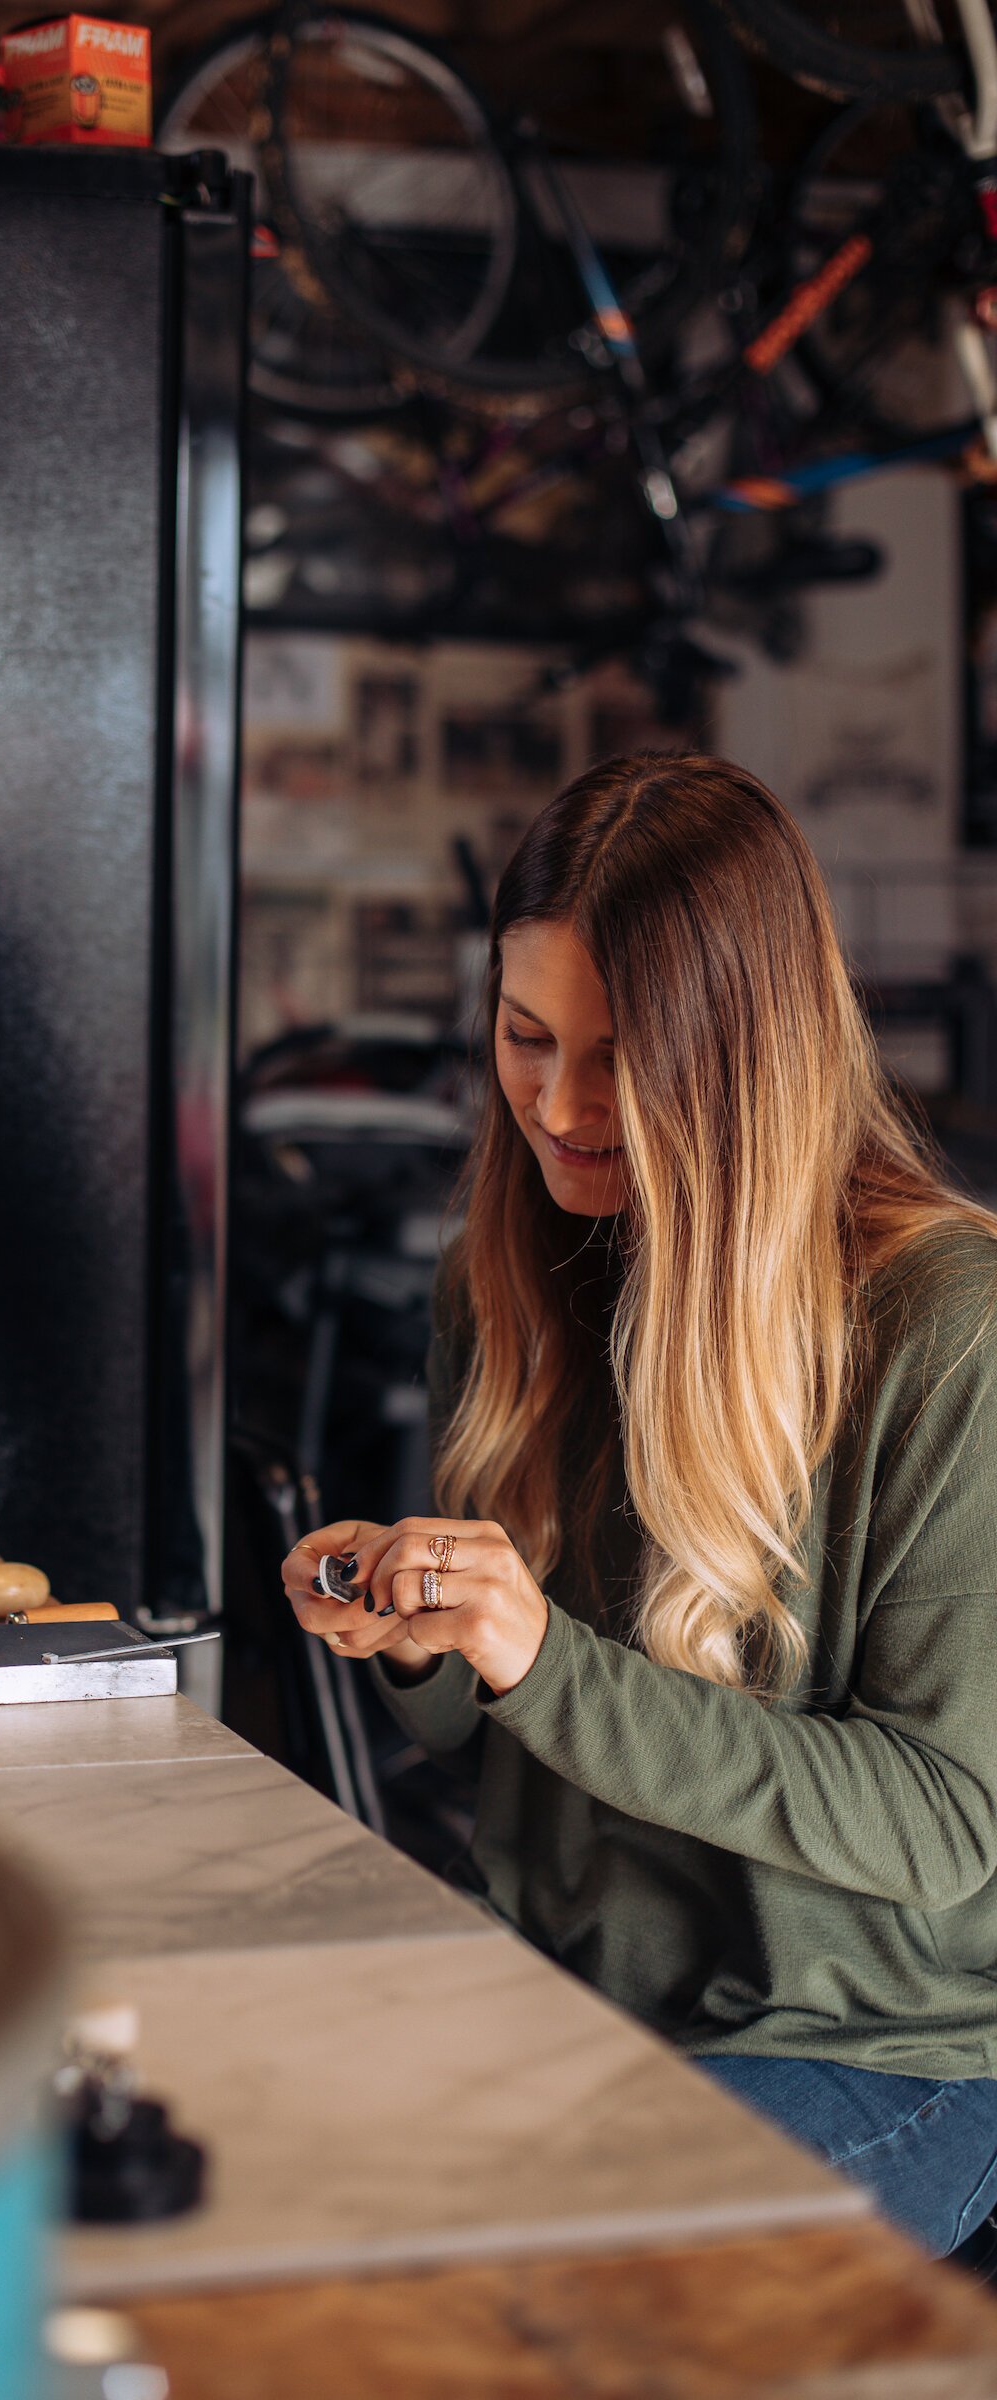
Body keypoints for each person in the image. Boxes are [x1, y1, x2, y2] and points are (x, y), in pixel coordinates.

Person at [283, 753, 997, 2258]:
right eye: (524, 1036)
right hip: (561, 1980)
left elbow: (945, 1829)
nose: (555, 1104)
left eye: (619, 1055)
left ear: (746, 1056)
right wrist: (429, 1635)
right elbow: (491, 1737)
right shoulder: (518, 1273)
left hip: (875, 2047)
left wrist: (545, 1660)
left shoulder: (948, 1329)